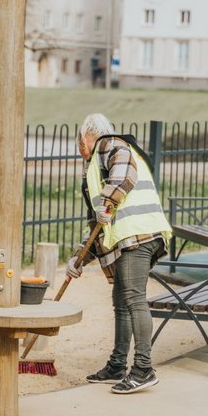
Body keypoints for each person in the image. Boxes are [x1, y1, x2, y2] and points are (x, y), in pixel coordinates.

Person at [67, 113, 172, 394]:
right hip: (135, 235)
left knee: (134, 299)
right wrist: (78, 260)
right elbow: (97, 226)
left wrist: (108, 202)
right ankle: (117, 365)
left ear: (85, 136)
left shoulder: (110, 145)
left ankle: (143, 369)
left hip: (139, 235)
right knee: (122, 301)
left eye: (79, 140)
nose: (79, 148)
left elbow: (125, 173)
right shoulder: (95, 168)